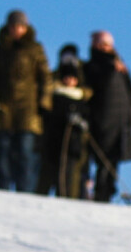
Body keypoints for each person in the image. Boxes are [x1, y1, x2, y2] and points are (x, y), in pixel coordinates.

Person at [0, 9, 50, 192]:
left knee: (25, 153)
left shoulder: (35, 49)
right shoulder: (1, 49)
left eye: (20, 26)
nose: (17, 30)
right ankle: (4, 190)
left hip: (28, 112)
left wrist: (44, 104)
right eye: (13, 26)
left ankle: (26, 191)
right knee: (4, 153)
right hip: (4, 110)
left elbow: (45, 77)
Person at [82, 31, 131, 203]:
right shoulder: (92, 66)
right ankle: (98, 192)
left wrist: (130, 114)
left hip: (121, 121)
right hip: (101, 120)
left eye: (108, 45)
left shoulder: (121, 67)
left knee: (114, 160)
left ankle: (107, 192)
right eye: (103, 45)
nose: (106, 49)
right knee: (101, 160)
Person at [36, 54, 91, 198]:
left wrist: (81, 123)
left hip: (74, 145)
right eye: (67, 77)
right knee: (50, 173)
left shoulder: (81, 98)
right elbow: (50, 116)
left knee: (71, 176)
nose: (69, 81)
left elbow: (87, 116)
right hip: (56, 142)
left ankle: (67, 197)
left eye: (73, 78)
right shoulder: (56, 96)